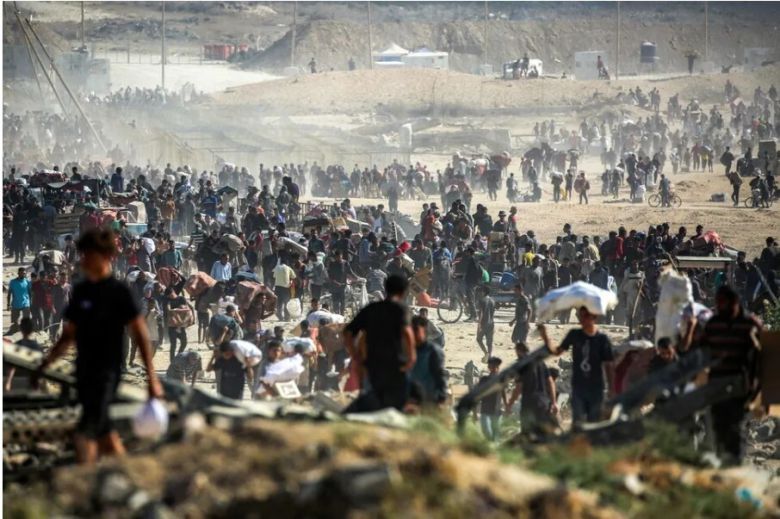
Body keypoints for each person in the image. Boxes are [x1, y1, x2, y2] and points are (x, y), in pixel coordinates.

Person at [35, 229, 162, 464]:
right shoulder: (82, 290)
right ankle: (125, 474)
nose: (83, 260)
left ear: (105, 256)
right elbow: (68, 335)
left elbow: (140, 333)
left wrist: (152, 378)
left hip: (107, 372)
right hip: (84, 370)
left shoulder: (119, 291)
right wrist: (45, 363)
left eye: (88, 255)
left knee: (85, 431)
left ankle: (88, 477)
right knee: (103, 432)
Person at [694, 285, 762, 464]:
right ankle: (723, 463)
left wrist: (756, 389)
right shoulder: (713, 324)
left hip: (740, 385)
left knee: (735, 427)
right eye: (719, 303)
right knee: (718, 426)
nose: (722, 307)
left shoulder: (750, 324)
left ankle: (734, 464)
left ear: (735, 303)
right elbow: (701, 353)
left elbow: (761, 357)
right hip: (716, 384)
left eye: (725, 303)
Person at [342, 275, 416, 413]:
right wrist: (412, 357)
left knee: (374, 400)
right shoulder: (400, 308)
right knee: (398, 403)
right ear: (403, 292)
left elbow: (348, 332)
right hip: (395, 363)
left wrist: (356, 355)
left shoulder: (372, 308)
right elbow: (407, 333)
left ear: (386, 289)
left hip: (372, 364)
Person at [538, 307, 615, 427]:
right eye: (580, 316)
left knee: (594, 422)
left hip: (596, 387)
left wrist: (611, 388)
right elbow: (557, 351)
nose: (582, 319)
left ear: (594, 317)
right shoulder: (574, 334)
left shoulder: (602, 339)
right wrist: (545, 337)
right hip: (578, 386)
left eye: (586, 316)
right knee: (578, 423)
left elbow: (608, 365)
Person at [505, 342, 558, 436]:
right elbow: (550, 382)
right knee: (542, 433)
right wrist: (554, 402)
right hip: (543, 403)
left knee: (527, 434)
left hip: (529, 404)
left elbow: (519, 387)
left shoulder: (521, 365)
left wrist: (510, 403)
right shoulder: (540, 362)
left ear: (518, 351)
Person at [408, 316, 447, 408]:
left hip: (428, 398)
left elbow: (439, 375)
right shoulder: (408, 350)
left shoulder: (433, 351)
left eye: (416, 330)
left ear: (424, 330)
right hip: (411, 399)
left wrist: (441, 397)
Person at [4, 318, 43, 391]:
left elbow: (12, 367)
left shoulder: (17, 345)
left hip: (17, 380)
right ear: (32, 329)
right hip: (31, 381)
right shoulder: (37, 347)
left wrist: (8, 382)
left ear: (20, 329)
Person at [478, 357, 503, 441]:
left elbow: (503, 392)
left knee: (495, 436)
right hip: (486, 410)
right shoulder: (484, 380)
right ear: (489, 367)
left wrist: (507, 405)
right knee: (487, 433)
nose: (494, 369)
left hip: (496, 411)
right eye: (492, 366)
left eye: (496, 367)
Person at [7, 267, 31, 332]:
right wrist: (8, 304)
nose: (23, 274)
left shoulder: (27, 282)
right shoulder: (13, 282)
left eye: (24, 273)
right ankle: (16, 328)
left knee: (26, 319)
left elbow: (30, 293)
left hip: (26, 303)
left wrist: (31, 303)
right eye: (22, 273)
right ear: (18, 273)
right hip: (15, 303)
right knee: (15, 321)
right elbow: (9, 294)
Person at [476, 286, 496, 363]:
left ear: (484, 292)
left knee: (479, 339)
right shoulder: (492, 300)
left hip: (484, 323)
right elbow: (493, 313)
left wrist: (479, 325)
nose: (480, 293)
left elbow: (481, 313)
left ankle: (486, 353)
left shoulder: (481, 300)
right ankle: (489, 357)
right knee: (489, 343)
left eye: (481, 291)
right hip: (491, 323)